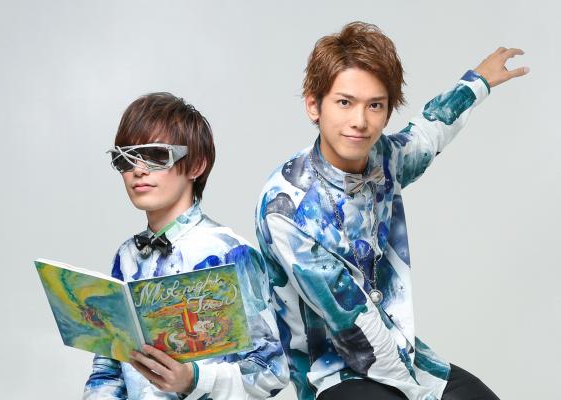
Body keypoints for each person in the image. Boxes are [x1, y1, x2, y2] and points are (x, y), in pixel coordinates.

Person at [255, 22, 528, 400]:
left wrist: (477, 82)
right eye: (344, 102)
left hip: (403, 354)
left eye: (375, 105)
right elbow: (354, 325)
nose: (360, 121)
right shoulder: (287, 207)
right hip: (333, 372)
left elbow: (427, 134)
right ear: (314, 105)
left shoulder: (384, 158)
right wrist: (423, 397)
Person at [84, 92, 289, 400]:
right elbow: (108, 370)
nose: (138, 170)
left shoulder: (230, 253)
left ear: (196, 166)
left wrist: (193, 379)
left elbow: (271, 370)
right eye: (125, 158)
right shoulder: (126, 256)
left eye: (156, 155)